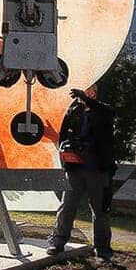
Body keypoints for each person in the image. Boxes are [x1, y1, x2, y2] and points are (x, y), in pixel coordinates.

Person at [47, 84, 116, 260]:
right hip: (74, 169)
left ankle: (102, 249)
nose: (82, 95)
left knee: (100, 210)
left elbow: (107, 114)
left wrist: (86, 100)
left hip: (97, 169)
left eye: (87, 91)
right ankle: (57, 242)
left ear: (93, 93)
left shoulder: (103, 111)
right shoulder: (73, 111)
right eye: (82, 92)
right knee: (67, 206)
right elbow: (62, 135)